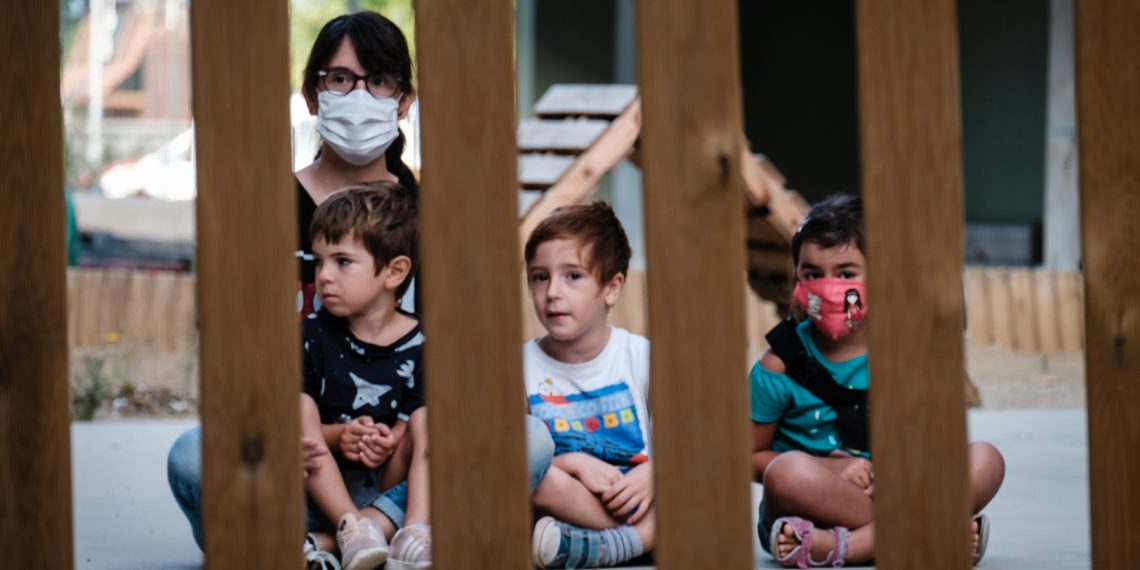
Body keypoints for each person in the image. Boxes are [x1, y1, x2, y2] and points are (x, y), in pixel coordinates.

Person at [166, 12, 556, 569]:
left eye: (379, 80)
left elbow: (463, 361)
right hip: (299, 458)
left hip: (408, 466)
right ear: (312, 95)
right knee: (190, 457)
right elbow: (237, 356)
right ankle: (359, 534)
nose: (359, 94)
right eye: (341, 79)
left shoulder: (432, 215)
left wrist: (402, 439)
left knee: (529, 440)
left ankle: (349, 538)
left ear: (404, 100)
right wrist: (318, 434)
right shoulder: (268, 208)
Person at [750, 194, 1006, 567]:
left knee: (986, 458)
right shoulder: (779, 364)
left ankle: (844, 548)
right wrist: (830, 469)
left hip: (898, 494)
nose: (829, 286)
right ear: (797, 281)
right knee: (785, 473)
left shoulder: (908, 358)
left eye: (846, 273)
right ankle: (937, 531)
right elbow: (753, 458)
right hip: (805, 509)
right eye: (812, 274)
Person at [521, 202, 655, 569]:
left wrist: (655, 473)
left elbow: (688, 437)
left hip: (638, 493)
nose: (552, 293)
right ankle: (638, 540)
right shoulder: (521, 367)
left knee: (698, 478)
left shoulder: (639, 356)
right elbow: (523, 462)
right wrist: (574, 462)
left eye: (572, 276)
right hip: (563, 497)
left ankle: (610, 545)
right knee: (534, 471)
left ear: (611, 288)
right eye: (539, 276)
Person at [300, 182, 422, 570]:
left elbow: (413, 427)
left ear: (394, 271)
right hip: (321, 485)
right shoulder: (310, 336)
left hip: (393, 484)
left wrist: (388, 440)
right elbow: (301, 430)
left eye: (342, 261)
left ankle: (413, 536)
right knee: (296, 405)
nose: (325, 276)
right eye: (319, 262)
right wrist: (343, 436)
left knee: (431, 420)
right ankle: (350, 527)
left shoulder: (425, 343)